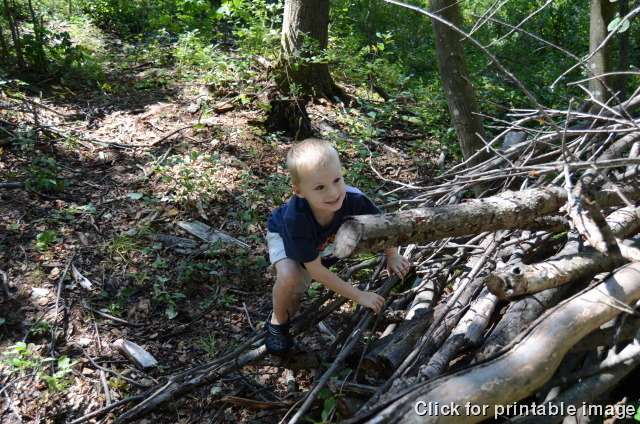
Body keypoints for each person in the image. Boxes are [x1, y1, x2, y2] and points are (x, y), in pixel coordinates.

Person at [265, 138, 410, 356]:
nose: (333, 193)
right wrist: (359, 295)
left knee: (296, 294)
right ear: (299, 191)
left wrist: (392, 254)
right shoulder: (295, 220)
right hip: (283, 235)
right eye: (320, 187)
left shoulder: (354, 199)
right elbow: (316, 271)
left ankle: (290, 314)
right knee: (290, 275)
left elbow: (383, 225)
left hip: (320, 242)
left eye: (337, 180)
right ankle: (277, 321)